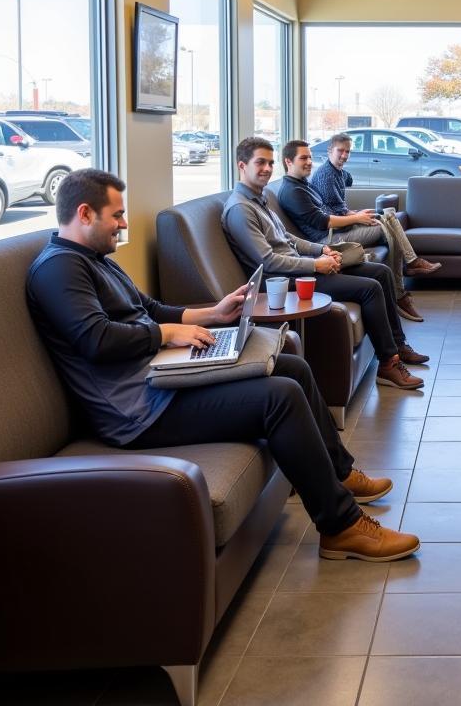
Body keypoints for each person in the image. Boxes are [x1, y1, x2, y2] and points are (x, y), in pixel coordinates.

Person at [25, 169, 419, 562]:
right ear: (85, 213)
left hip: (162, 378)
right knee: (278, 397)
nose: (124, 224)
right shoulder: (59, 269)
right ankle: (341, 527)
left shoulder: (94, 259)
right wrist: (165, 335)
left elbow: (148, 309)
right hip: (137, 412)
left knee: (290, 367)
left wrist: (213, 314)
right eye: (117, 215)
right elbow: (96, 340)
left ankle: (340, 472)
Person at [222, 137, 429, 391]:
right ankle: (388, 364)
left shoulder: (260, 200)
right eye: (260, 163)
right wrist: (315, 265)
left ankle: (398, 345)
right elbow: (268, 261)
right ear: (241, 166)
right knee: (369, 288)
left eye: (270, 163)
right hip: (283, 281)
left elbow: (287, 238)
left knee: (381, 273)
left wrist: (322, 249)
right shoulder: (240, 209)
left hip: (300, 267)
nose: (267, 168)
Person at [276, 139, 436, 323]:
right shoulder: (292, 191)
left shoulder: (303, 184)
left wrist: (356, 216)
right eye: (303, 158)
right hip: (327, 238)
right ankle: (401, 291)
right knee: (385, 228)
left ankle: (409, 268)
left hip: (335, 230)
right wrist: (356, 218)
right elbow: (322, 222)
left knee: (389, 215)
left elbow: (330, 208)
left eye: (310, 158)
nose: (310, 162)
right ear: (288, 161)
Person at [309, 132, 442, 284]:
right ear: (329, 151)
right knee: (387, 225)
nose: (344, 155)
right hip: (334, 231)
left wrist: (359, 214)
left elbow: (348, 180)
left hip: (343, 222)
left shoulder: (337, 172)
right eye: (340, 151)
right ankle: (408, 267)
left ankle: (410, 264)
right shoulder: (326, 175)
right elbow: (340, 213)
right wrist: (359, 216)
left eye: (348, 151)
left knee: (389, 214)